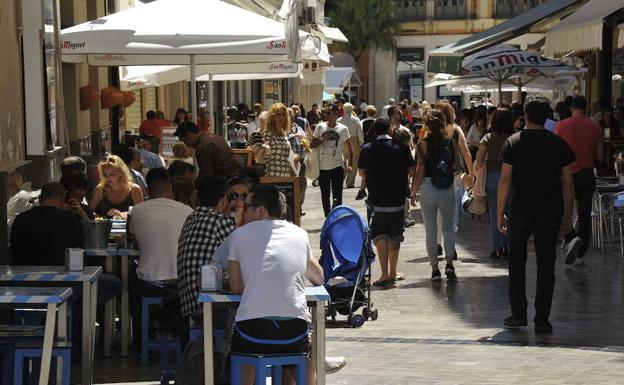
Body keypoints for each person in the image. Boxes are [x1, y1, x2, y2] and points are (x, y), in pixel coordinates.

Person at [227, 184, 324, 385]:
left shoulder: (238, 235)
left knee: (245, 356)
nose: (241, 210)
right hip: (293, 332)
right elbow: (319, 277)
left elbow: (236, 287)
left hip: (252, 332)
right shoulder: (299, 234)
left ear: (260, 210)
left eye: (246, 207)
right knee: (301, 357)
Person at [498, 96, 575, 334]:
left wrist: (500, 212)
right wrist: (568, 214)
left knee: (516, 263)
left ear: (525, 116)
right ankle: (542, 319)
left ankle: (518, 314)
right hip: (549, 209)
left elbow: (505, 179)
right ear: (547, 117)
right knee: (546, 265)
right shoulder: (558, 143)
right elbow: (568, 182)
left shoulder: (513, 142)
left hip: (521, 209)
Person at [130, 168, 193, 346]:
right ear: (170, 187)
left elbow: (136, 244)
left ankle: (140, 339)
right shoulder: (187, 210)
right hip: (181, 282)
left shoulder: (137, 210)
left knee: (130, 277)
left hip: (149, 283)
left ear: (148, 189)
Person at [358, 118, 415, 287]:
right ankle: (393, 272)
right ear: (390, 129)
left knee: (380, 236)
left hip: (376, 202)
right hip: (397, 201)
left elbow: (361, 173)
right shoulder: (402, 148)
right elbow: (410, 169)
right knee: (395, 237)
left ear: (375, 131)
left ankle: (383, 274)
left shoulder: (367, 149)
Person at [411, 110, 461, 281]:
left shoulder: (422, 144)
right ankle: (449, 264)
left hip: (427, 187)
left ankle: (434, 269)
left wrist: (413, 191)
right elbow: (458, 167)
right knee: (447, 228)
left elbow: (420, 169)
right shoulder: (451, 142)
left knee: (431, 231)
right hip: (446, 187)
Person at [555, 95, 604, 266]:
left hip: (567, 173)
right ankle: (580, 254)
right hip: (587, 174)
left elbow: (556, 154)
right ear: (586, 109)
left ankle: (571, 236)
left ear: (571, 108)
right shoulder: (596, 127)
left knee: (562, 210)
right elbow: (599, 156)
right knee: (585, 214)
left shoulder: (561, 126)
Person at [177, 175, 234, 320]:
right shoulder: (220, 222)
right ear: (223, 200)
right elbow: (242, 255)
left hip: (188, 304)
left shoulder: (190, 218)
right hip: (207, 306)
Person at [10, 182, 83, 265]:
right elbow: (77, 252)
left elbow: (14, 250)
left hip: (22, 275)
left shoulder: (21, 219)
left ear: (40, 199)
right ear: (63, 198)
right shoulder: (70, 220)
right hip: (61, 276)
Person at [475, 108, 514, 259]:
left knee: (493, 214)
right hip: (510, 178)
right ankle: (506, 246)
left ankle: (496, 248)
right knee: (508, 213)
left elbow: (479, 158)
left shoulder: (488, 137)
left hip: (492, 177)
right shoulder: (513, 137)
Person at [311, 104, 353, 216]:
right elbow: (311, 145)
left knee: (337, 195)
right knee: (325, 195)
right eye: (325, 112)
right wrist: (321, 140)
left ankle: (337, 217)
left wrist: (350, 164)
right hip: (323, 168)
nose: (326, 115)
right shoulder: (320, 127)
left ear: (336, 114)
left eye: (329, 113)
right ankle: (327, 217)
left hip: (337, 167)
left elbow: (350, 148)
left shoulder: (343, 129)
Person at [174, 121, 241, 177]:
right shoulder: (213, 136)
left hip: (226, 178)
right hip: (235, 173)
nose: (186, 145)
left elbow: (205, 175)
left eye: (184, 141)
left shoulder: (203, 147)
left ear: (189, 135)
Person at [89, 155, 144, 219]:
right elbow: (89, 212)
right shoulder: (100, 189)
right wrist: (101, 218)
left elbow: (141, 214)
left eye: (112, 174)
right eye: (105, 174)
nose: (108, 177)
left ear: (121, 172)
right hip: (105, 228)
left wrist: (120, 214)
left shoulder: (134, 189)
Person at [264, 103, 295, 177]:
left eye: (283, 115)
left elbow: (286, 154)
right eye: (278, 115)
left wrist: (294, 156)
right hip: (272, 176)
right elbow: (264, 158)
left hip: (286, 176)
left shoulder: (284, 133)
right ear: (272, 117)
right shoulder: (268, 133)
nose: (281, 117)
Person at [338, 103, 364, 189]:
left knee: (342, 160)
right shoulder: (356, 120)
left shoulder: (339, 120)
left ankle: (339, 179)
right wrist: (361, 142)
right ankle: (350, 182)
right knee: (354, 161)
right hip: (354, 140)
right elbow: (360, 132)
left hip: (342, 141)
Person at [288, 108, 308, 211]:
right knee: (291, 187)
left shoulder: (298, 127)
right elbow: (283, 139)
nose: (290, 118)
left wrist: (305, 142)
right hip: (289, 164)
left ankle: (298, 206)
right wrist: (293, 136)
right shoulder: (282, 129)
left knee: (302, 185)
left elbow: (306, 139)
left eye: (291, 116)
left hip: (301, 162)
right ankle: (292, 207)